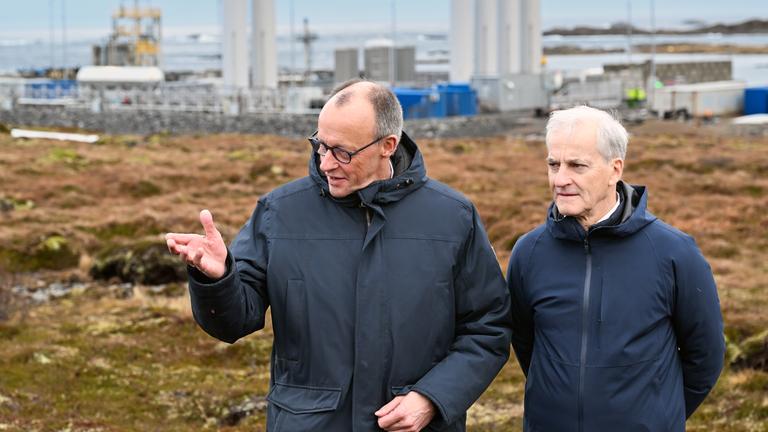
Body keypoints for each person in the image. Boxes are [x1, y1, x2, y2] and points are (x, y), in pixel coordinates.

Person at [166, 79, 511, 432]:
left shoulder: (452, 217)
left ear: (387, 146)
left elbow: (487, 329)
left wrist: (432, 398)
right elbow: (234, 322)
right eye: (320, 146)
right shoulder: (279, 213)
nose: (326, 163)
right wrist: (218, 278)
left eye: (342, 152)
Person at [506, 105, 724, 431]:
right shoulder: (528, 252)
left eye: (577, 166)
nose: (560, 179)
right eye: (554, 164)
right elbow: (526, 344)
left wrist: (659, 416)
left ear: (614, 170)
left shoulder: (674, 253)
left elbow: (705, 355)